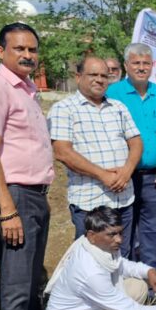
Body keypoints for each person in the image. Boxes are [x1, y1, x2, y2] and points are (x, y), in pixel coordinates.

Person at [0, 22, 56, 310]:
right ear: (1, 52)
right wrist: (7, 208)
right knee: (15, 288)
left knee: (30, 282)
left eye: (32, 49)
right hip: (16, 197)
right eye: (19, 49)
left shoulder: (26, 89)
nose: (28, 55)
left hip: (36, 196)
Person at [48, 56, 143, 249]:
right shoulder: (63, 109)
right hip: (90, 204)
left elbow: (136, 142)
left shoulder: (118, 107)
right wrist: (103, 176)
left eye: (104, 75)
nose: (99, 80)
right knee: (90, 263)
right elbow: (63, 152)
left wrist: (127, 171)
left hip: (124, 199)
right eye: (93, 74)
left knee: (120, 259)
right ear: (78, 77)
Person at [106, 44, 156, 274]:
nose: (141, 67)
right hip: (123, 177)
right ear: (126, 65)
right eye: (136, 63)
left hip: (155, 177)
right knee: (122, 233)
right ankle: (124, 286)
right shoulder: (113, 94)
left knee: (153, 232)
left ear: (152, 66)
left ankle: (152, 287)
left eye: (146, 63)